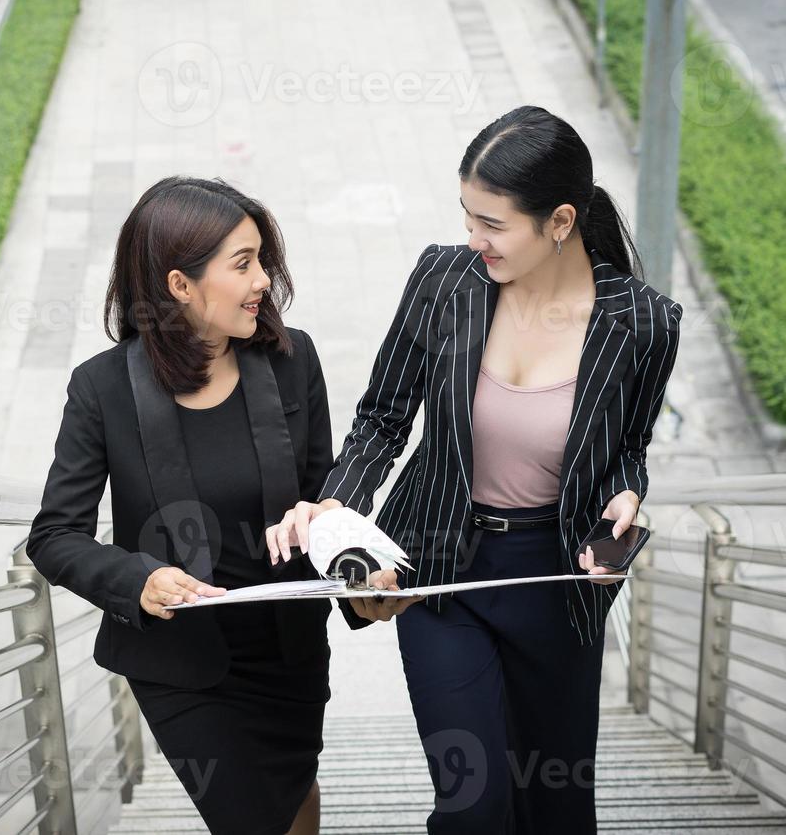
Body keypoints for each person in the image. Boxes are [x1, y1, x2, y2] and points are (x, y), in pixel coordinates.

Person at [266, 105, 684, 833]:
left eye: (492, 224)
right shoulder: (443, 280)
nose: (473, 240)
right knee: (473, 805)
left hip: (554, 581)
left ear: (559, 221)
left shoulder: (644, 323)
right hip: (439, 572)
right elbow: (382, 418)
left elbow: (629, 447)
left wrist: (626, 493)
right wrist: (336, 507)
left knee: (556, 808)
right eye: (467, 217)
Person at [27, 176, 339, 835]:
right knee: (251, 819)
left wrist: (359, 563)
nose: (264, 280)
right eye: (243, 264)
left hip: (289, 649)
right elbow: (54, 535)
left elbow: (323, 496)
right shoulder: (100, 389)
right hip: (180, 663)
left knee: (291, 789)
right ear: (178, 285)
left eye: (261, 259)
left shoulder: (292, 358)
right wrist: (136, 578)